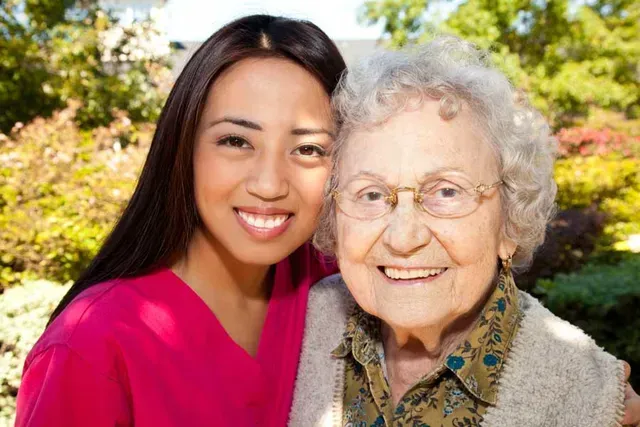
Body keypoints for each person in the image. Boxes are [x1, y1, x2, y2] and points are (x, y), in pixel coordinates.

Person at [15, 14, 344, 427]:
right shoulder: (91, 344)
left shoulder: (342, 291)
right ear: (183, 146)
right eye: (236, 141)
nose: (269, 184)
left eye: (309, 149)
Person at [290, 36, 636, 426]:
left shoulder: (587, 398)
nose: (403, 238)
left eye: (447, 191)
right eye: (371, 194)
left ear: (510, 222)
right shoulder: (308, 322)